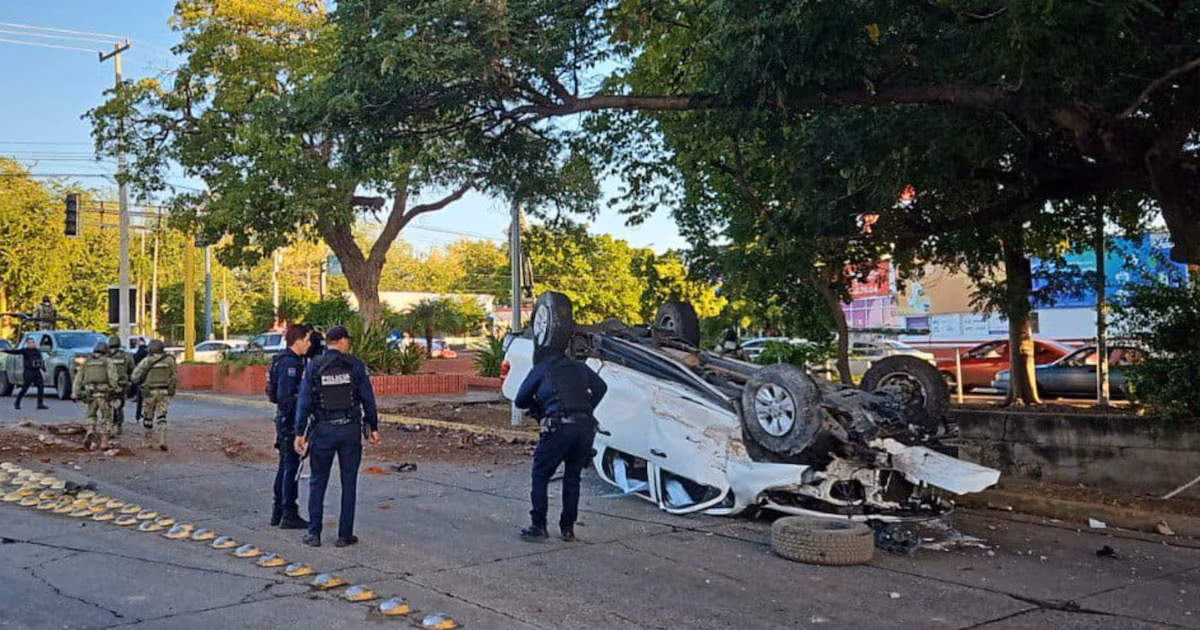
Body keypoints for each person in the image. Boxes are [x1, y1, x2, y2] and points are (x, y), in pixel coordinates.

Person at [294, 325, 379, 548]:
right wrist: (373, 426)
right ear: (340, 341)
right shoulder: (355, 365)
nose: (348, 344)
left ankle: (314, 533)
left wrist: (299, 431)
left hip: (323, 430)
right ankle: (345, 534)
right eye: (346, 341)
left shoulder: (314, 366)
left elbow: (304, 402)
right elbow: (367, 398)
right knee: (349, 481)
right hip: (350, 430)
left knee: (317, 481)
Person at [514, 347, 608, 542]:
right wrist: (587, 408)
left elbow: (520, 400)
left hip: (558, 427)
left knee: (540, 475)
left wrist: (539, 407)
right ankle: (567, 529)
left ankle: (538, 526)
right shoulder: (580, 367)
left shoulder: (542, 368)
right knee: (573, 478)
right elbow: (601, 387)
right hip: (585, 428)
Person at [267, 324, 311, 529]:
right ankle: (288, 512)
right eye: (307, 340)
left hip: (284, 419)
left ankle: (279, 510)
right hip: (289, 421)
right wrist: (296, 421)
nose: (309, 345)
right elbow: (285, 397)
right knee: (290, 467)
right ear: (298, 340)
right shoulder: (290, 364)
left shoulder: (281, 360)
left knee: (285, 465)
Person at [131, 339, 178, 451]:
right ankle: (162, 440)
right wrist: (172, 390)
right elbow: (174, 377)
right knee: (162, 417)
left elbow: (135, 377)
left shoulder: (147, 361)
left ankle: (148, 441)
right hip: (164, 392)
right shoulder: (170, 361)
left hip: (149, 393)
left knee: (148, 417)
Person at [72, 342, 119, 450]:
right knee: (106, 417)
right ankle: (104, 442)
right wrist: (115, 389)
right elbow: (112, 377)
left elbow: (78, 378)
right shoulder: (107, 361)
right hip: (103, 393)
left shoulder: (87, 361)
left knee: (91, 415)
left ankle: (90, 430)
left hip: (90, 393)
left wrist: (75, 393)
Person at [3, 338, 49, 410]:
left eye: (32, 342)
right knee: (25, 388)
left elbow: (40, 360)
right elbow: (15, 352)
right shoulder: (25, 350)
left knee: (41, 387)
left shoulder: (37, 351)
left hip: (36, 371)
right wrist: (4, 350)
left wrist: (43, 369)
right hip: (28, 372)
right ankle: (17, 402)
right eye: (29, 343)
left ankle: (40, 403)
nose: (31, 344)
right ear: (27, 343)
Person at [107, 336, 134, 437]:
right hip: (122, 385)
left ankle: (109, 426)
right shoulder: (125, 356)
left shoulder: (106, 356)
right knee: (119, 406)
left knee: (108, 406)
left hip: (109, 385)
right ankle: (118, 426)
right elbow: (132, 369)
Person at [131, 338, 149, 427]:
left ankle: (139, 416)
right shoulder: (151, 355)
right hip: (151, 380)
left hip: (142, 380)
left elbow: (135, 364)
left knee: (140, 399)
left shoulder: (139, 353)